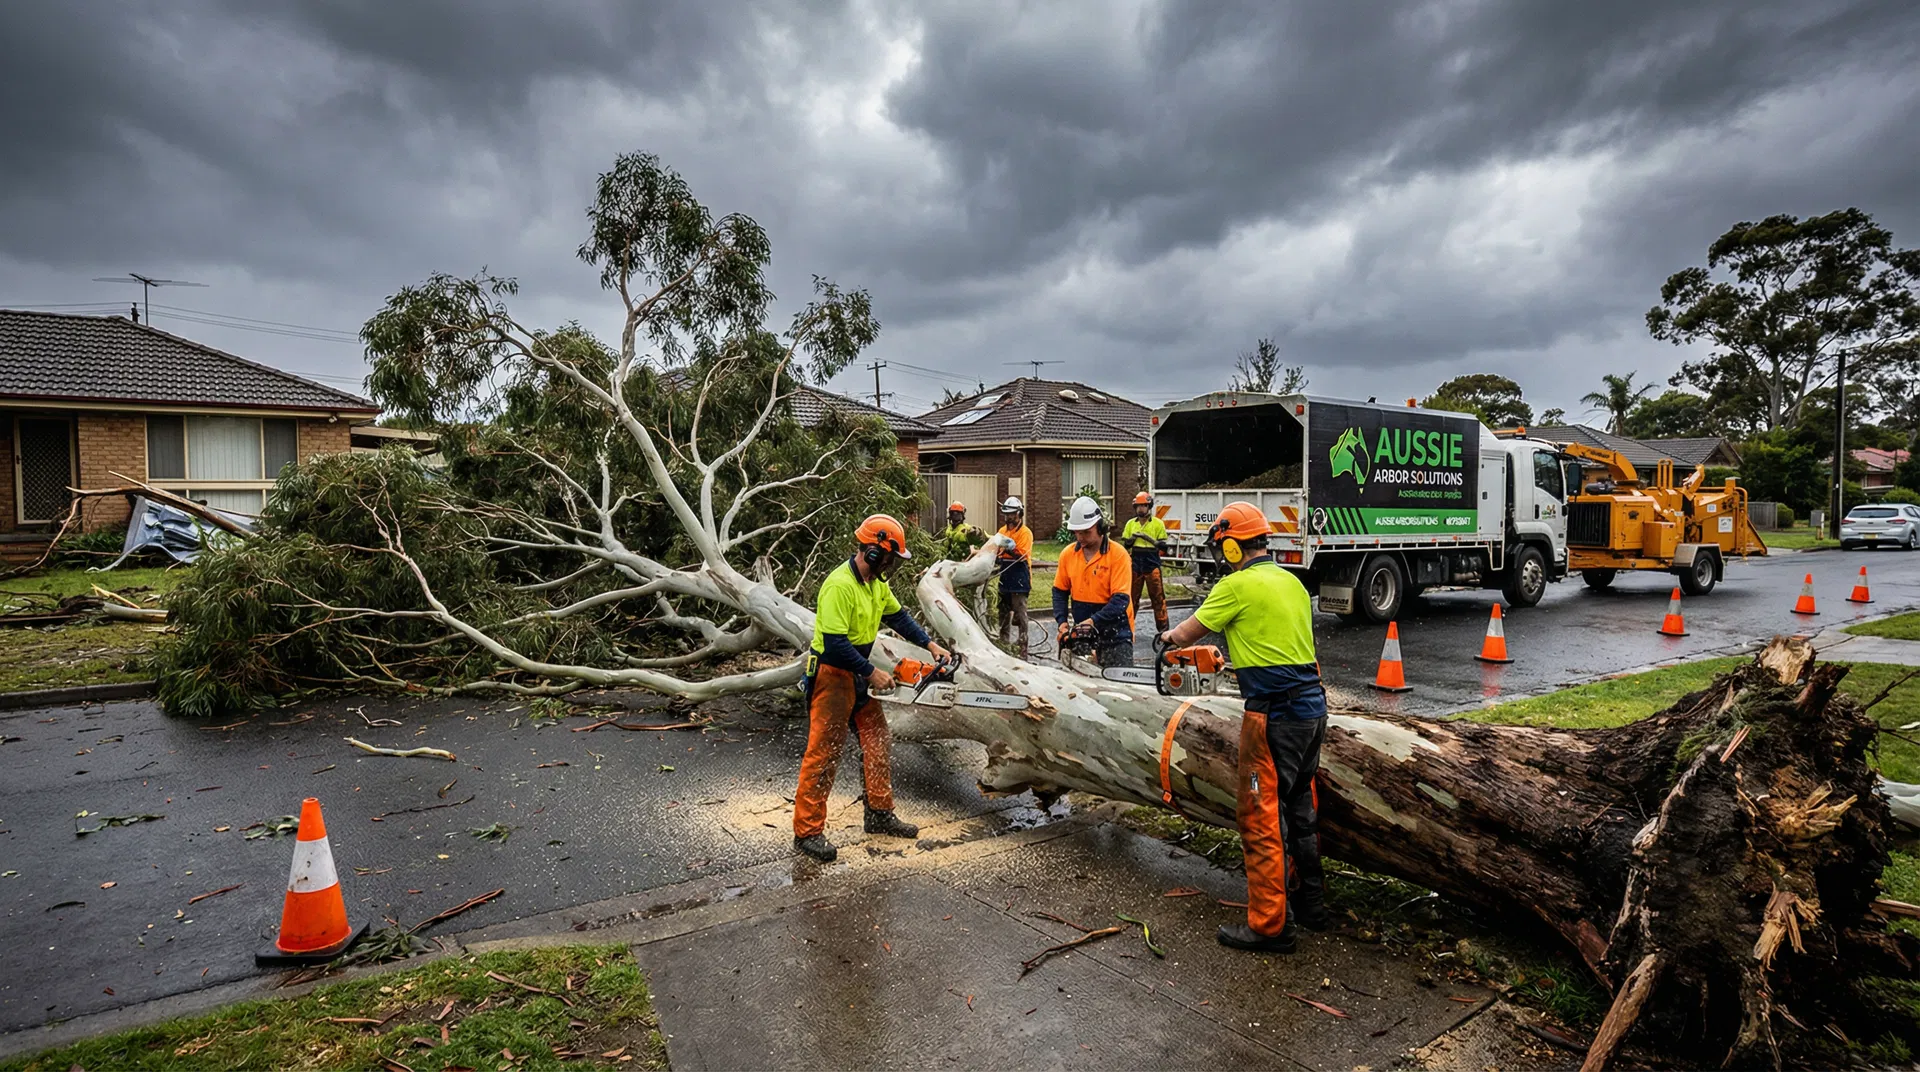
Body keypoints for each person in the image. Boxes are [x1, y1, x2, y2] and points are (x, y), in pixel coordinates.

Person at [1156, 500, 1326, 954]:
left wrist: (1166, 640)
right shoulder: (1291, 582)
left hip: (1273, 716)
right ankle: (1312, 906)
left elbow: (1188, 634)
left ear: (1232, 548)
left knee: (1260, 815)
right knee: (1300, 808)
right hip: (1312, 709)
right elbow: (1278, 644)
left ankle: (1271, 925)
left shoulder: (1235, 586)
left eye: (1221, 548)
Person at [794, 514, 950, 863]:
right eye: (890, 558)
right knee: (824, 751)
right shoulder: (840, 585)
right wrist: (871, 672)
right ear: (874, 553)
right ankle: (808, 831)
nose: (892, 565)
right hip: (833, 674)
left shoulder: (876, 584)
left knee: (877, 736)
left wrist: (930, 644)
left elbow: (898, 616)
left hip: (857, 671)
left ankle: (879, 813)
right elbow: (834, 643)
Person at [1053, 495, 1134, 667]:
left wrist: (1093, 621)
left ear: (1100, 527)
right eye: (1077, 532)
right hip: (1083, 633)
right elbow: (1059, 592)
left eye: (1086, 532)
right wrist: (1062, 622)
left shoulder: (1118, 555)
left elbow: (1120, 600)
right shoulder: (1068, 555)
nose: (1080, 537)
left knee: (1119, 686)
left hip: (1115, 631)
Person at [1120, 492, 1173, 635]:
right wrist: (1133, 538)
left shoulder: (1157, 524)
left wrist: (1147, 538)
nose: (1140, 509)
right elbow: (1126, 544)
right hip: (1136, 562)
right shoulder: (1131, 524)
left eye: (1143, 506)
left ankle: (1163, 630)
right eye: (1138, 506)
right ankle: (1127, 627)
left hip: (1151, 561)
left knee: (1157, 597)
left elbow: (1162, 546)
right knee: (1132, 597)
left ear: (1149, 506)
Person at [994, 497, 1034, 656]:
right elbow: (996, 550)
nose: (1009, 517)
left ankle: (1022, 644)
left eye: (1012, 514)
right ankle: (1003, 643)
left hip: (1019, 576)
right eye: (1007, 514)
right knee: (1002, 612)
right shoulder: (1002, 531)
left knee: (1020, 613)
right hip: (1005, 575)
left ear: (1019, 514)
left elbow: (1021, 555)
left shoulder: (1026, 533)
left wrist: (1009, 548)